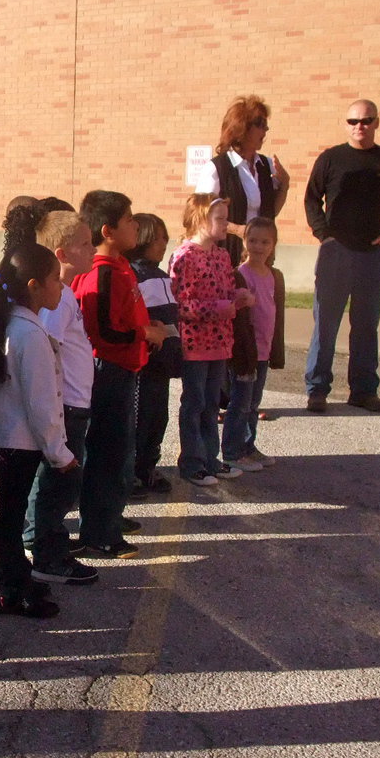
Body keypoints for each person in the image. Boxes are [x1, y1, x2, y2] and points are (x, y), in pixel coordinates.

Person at [0, 241, 74, 616]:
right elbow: (42, 404)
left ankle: (13, 578)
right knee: (10, 516)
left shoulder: (13, 325)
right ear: (33, 285)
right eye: (54, 281)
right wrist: (59, 452)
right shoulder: (28, 335)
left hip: (8, 437)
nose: (60, 288)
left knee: (9, 513)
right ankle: (11, 586)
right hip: (21, 441)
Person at [73, 192, 167, 556]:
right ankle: (99, 531)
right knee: (108, 451)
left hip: (123, 368)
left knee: (118, 450)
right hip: (109, 371)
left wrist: (148, 325)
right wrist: (146, 333)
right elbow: (105, 333)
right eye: (129, 220)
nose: (136, 226)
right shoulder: (101, 275)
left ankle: (108, 514)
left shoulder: (120, 268)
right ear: (108, 230)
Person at [304, 98, 380, 413]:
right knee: (326, 324)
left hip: (371, 256)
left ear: (377, 122)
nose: (359, 127)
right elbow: (312, 200)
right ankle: (317, 390)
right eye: (353, 121)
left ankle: (363, 391)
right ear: (345, 124)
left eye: (366, 121)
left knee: (366, 325)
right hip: (335, 254)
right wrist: (325, 237)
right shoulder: (331, 159)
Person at [21, 206, 100, 585]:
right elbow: (48, 347)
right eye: (85, 244)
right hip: (65, 404)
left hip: (75, 403)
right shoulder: (57, 300)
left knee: (61, 480)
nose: (94, 249)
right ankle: (45, 552)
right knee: (57, 481)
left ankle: (44, 540)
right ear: (62, 255)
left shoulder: (65, 293)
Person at [170, 195, 254, 487]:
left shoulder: (222, 255)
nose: (226, 225)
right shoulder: (184, 256)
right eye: (219, 218)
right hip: (195, 344)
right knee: (194, 402)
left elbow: (225, 291)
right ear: (200, 219)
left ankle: (210, 458)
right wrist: (216, 308)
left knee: (210, 404)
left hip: (220, 342)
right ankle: (191, 462)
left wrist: (238, 298)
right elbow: (179, 304)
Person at [195, 95, 291, 265]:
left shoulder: (266, 165)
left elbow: (270, 212)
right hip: (227, 254)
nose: (266, 129)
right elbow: (201, 215)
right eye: (260, 124)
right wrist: (239, 230)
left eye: (266, 124)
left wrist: (284, 186)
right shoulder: (217, 168)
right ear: (242, 127)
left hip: (260, 257)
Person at [222, 217, 285, 471]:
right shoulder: (241, 275)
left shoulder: (273, 276)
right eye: (253, 240)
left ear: (273, 245)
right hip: (245, 351)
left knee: (254, 402)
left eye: (264, 241)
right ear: (244, 242)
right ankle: (232, 451)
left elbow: (275, 314)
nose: (258, 246)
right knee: (240, 401)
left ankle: (248, 445)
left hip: (263, 350)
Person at [127, 213, 179, 496]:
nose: (163, 244)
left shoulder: (162, 276)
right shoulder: (133, 275)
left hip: (162, 364)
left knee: (158, 417)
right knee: (139, 417)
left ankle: (148, 466)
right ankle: (132, 470)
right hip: (143, 363)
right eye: (160, 238)